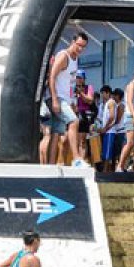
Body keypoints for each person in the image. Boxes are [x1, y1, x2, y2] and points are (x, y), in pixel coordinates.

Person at [45, 32, 90, 167]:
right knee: (74, 121)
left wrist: (72, 102)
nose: (80, 49)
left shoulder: (75, 59)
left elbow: (68, 83)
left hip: (64, 99)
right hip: (56, 97)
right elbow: (52, 76)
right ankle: (76, 159)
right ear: (72, 42)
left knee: (56, 133)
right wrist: (54, 99)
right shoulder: (64, 56)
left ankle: (50, 166)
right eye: (79, 45)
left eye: (83, 46)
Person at [73, 71, 95, 159]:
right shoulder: (71, 87)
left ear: (84, 79)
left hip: (84, 115)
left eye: (80, 78)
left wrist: (80, 93)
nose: (78, 79)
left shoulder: (89, 87)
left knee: (82, 141)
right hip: (73, 115)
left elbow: (90, 100)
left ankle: (82, 160)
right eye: (77, 77)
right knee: (72, 140)